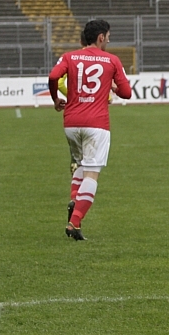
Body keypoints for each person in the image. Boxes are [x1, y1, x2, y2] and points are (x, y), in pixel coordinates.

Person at [48, 19, 132, 241]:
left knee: (80, 165)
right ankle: (74, 222)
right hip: (96, 124)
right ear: (101, 37)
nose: (109, 41)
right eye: (108, 37)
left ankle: (75, 199)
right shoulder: (112, 60)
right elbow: (126, 93)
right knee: (92, 173)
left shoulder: (69, 57)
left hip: (71, 122)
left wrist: (56, 98)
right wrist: (113, 86)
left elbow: (53, 76)